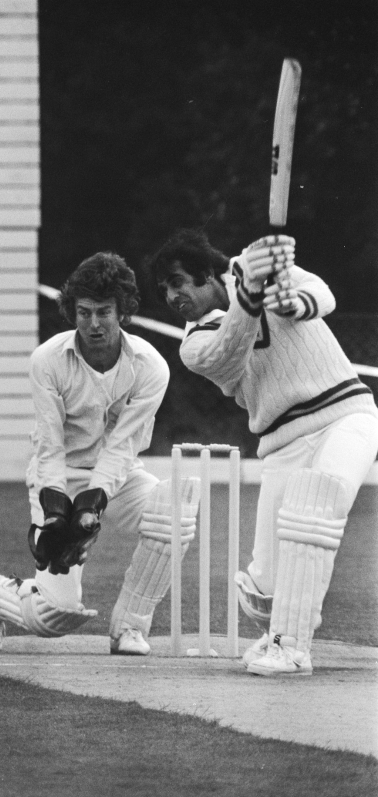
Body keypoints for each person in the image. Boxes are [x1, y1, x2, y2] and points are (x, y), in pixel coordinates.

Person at [147, 228, 378, 676]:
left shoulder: (251, 266)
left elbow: (322, 294)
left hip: (347, 415)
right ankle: (276, 629)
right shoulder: (194, 345)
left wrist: (292, 301)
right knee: (264, 591)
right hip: (282, 443)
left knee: (315, 506)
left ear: (207, 273)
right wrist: (250, 293)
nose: (172, 297)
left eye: (177, 282)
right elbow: (230, 351)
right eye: (165, 291)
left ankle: (291, 647)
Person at [0, 251, 201, 655]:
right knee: (52, 617)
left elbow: (123, 446)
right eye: (84, 312)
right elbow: (49, 443)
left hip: (120, 478)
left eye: (104, 312)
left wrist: (94, 502)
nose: (94, 324)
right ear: (72, 312)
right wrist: (56, 508)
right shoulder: (47, 361)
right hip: (61, 475)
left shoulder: (150, 367)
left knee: (174, 512)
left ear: (123, 311)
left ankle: (130, 627)